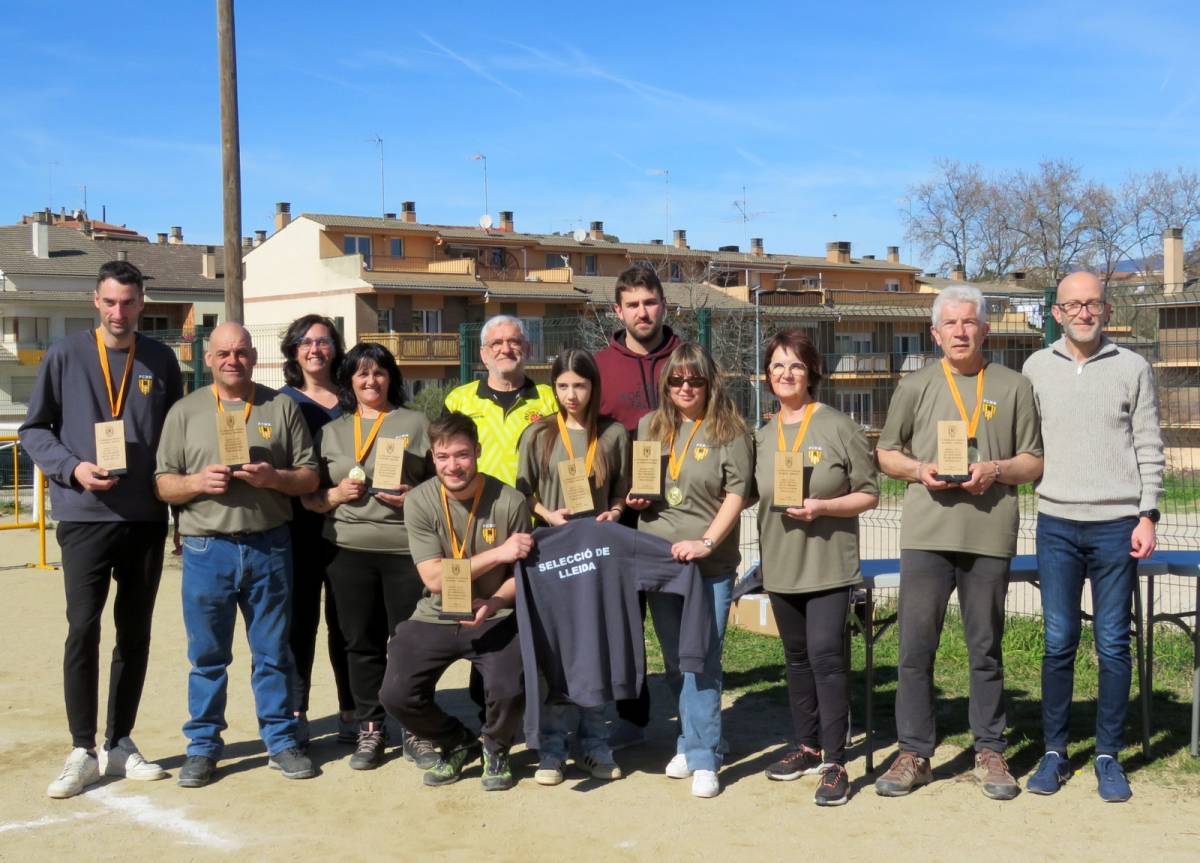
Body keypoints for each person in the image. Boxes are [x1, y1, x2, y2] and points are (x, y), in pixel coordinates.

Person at [20, 260, 182, 798]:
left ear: (142, 304)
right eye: (110, 302)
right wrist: (73, 469)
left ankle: (121, 741)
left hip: (144, 518)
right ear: (95, 301)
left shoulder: (161, 359)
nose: (119, 312)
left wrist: (179, 509)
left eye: (129, 302)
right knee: (82, 630)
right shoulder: (64, 354)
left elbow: (176, 439)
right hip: (84, 517)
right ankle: (81, 748)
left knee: (134, 635)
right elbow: (34, 429)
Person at [875, 285, 1043, 800]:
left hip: (989, 534)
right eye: (951, 324)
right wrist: (919, 470)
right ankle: (914, 752)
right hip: (927, 535)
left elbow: (1034, 461)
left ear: (986, 329)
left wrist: (993, 469)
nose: (961, 331)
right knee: (914, 649)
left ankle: (989, 750)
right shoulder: (917, 384)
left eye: (970, 322)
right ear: (936, 333)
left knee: (985, 649)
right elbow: (886, 453)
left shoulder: (1013, 386)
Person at [154, 322, 319, 788]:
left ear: (254, 356)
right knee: (207, 657)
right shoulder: (185, 412)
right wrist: (195, 484)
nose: (233, 360)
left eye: (242, 352)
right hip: (208, 548)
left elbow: (308, 476)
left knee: (273, 654)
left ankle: (281, 741)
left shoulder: (280, 406)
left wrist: (275, 479)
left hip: (269, 545)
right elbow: (163, 482)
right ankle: (203, 748)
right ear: (208, 359)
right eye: (223, 352)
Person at [1022, 271, 1165, 802]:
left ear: (1107, 310)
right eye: (1072, 305)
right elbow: (1023, 443)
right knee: (1059, 641)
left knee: (1112, 643)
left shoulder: (1132, 368)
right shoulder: (1036, 367)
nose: (1083, 313)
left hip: (1117, 526)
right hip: (1056, 523)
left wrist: (1147, 513)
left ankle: (1108, 754)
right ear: (1056, 313)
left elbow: (1149, 444)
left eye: (1093, 304)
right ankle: (1054, 753)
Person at [755, 329, 879, 806]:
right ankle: (806, 746)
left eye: (796, 366)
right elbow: (743, 492)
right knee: (797, 661)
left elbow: (869, 492)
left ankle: (835, 761)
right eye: (778, 367)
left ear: (812, 374)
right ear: (767, 376)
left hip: (829, 567)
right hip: (782, 568)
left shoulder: (837, 426)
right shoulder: (762, 437)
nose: (786, 374)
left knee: (827, 660)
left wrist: (823, 508)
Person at [379, 412, 532, 791]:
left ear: (478, 452)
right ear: (432, 457)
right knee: (395, 694)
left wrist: (495, 603)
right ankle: (456, 741)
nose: (453, 466)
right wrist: (498, 554)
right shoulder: (419, 501)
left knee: (510, 685)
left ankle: (496, 749)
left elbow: (521, 579)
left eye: (462, 455)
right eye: (443, 457)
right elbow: (433, 579)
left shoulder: (510, 501)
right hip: (436, 614)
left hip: (495, 612)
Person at [626, 342, 753, 799]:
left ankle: (705, 757)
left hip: (707, 564)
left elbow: (737, 496)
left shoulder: (731, 431)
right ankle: (691, 739)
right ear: (666, 384)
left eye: (694, 380)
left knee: (702, 658)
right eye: (676, 380)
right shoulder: (650, 426)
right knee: (678, 660)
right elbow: (644, 486)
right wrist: (635, 499)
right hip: (661, 561)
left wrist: (705, 542)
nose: (685, 387)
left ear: (709, 383)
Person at [301, 342, 434, 771]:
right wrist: (334, 494)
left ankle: (416, 726)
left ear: (391, 376)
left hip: (404, 549)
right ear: (348, 381)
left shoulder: (415, 423)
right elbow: (310, 498)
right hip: (347, 550)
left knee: (410, 645)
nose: (370, 381)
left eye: (378, 372)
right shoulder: (332, 431)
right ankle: (370, 728)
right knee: (359, 644)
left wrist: (415, 497)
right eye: (361, 374)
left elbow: (444, 486)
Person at [515, 349, 631, 784]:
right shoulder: (538, 435)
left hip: (598, 560)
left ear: (593, 386)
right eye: (562, 386)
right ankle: (552, 750)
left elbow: (622, 491)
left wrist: (615, 513)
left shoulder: (614, 434)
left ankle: (596, 748)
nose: (570, 395)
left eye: (579, 386)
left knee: (596, 652)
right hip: (552, 558)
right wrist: (547, 514)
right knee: (557, 654)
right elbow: (521, 491)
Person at [594, 264, 682, 747]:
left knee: (679, 616)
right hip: (618, 510)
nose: (642, 312)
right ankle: (633, 714)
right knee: (624, 617)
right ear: (618, 311)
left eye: (650, 302)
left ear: (663, 304)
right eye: (633, 304)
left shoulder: (687, 359)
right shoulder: (599, 366)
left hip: (679, 508)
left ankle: (693, 714)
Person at [278, 315, 356, 748]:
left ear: (335, 348)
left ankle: (352, 710)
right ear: (293, 351)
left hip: (349, 529)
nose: (315, 349)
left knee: (347, 625)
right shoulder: (280, 403)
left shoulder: (355, 398)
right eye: (306, 342)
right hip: (297, 529)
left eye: (324, 341)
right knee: (298, 624)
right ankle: (296, 711)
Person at [443, 315, 557, 487]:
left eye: (514, 342)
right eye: (496, 343)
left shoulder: (550, 400)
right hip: (476, 509)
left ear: (527, 348)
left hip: (536, 511)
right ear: (483, 354)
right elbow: (441, 459)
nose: (505, 349)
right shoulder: (458, 401)